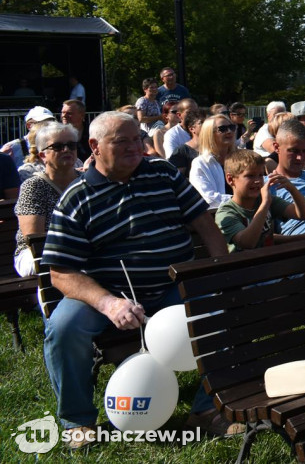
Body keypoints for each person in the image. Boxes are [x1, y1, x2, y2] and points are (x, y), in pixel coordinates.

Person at [40, 112, 229, 441]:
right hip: (108, 293)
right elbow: (60, 271)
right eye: (121, 141)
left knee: (224, 308)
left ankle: (205, 410)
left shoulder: (164, 173)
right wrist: (109, 304)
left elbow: (205, 224)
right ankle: (78, 422)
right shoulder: (76, 198)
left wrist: (218, 273)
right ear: (94, 147)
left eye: (137, 139)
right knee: (63, 328)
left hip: (174, 286)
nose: (134, 147)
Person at [13, 123, 81, 276]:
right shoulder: (33, 186)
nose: (66, 150)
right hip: (35, 254)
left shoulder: (85, 182)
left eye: (71, 145)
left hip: (79, 249)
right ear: (42, 155)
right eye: (57, 146)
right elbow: (34, 239)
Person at [215, 150, 305, 250]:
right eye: (250, 176)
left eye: (261, 175)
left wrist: (292, 189)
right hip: (245, 264)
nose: (257, 181)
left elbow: (304, 215)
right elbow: (247, 243)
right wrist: (265, 204)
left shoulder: (266, 201)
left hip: (270, 261)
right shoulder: (226, 213)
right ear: (230, 179)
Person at [188, 114, 237, 209]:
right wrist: (240, 201)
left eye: (231, 127)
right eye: (223, 129)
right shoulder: (200, 163)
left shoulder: (241, 158)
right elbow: (207, 197)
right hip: (219, 216)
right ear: (209, 134)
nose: (229, 131)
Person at [168, 109, 205, 177]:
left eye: (207, 122)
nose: (206, 125)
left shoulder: (216, 147)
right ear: (191, 129)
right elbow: (178, 179)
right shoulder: (181, 152)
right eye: (202, 123)